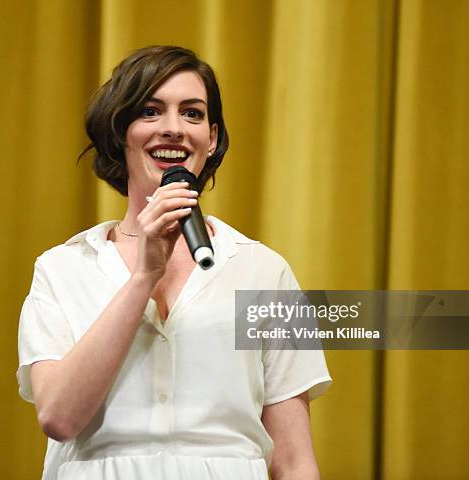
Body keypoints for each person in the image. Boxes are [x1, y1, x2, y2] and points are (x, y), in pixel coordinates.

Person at [17, 45, 332, 480]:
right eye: (150, 112)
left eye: (192, 114)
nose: (173, 129)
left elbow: (295, 461)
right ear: (119, 133)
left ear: (213, 137)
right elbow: (59, 417)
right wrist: (145, 274)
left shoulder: (263, 270)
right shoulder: (62, 269)